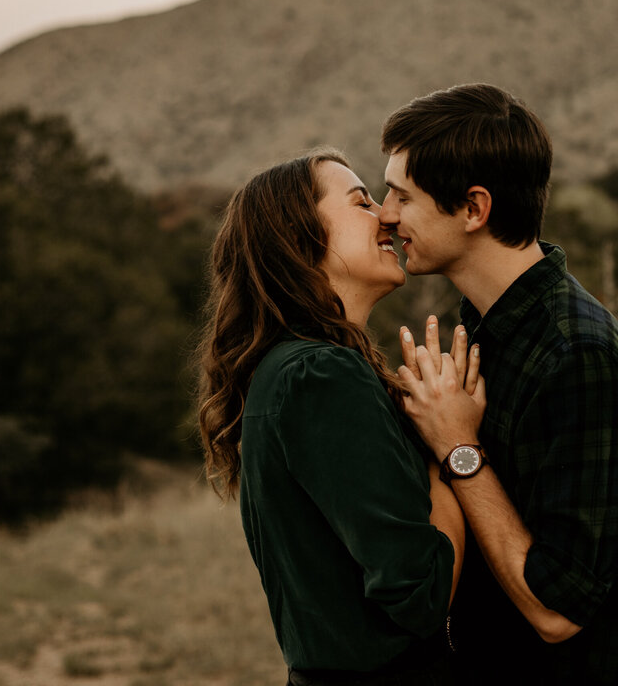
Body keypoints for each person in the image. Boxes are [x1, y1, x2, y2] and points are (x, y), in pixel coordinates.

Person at [377, 84, 618, 685]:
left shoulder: (578, 356)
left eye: (402, 195)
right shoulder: (489, 328)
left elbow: (560, 610)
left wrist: (459, 448)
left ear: (474, 209)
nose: (385, 214)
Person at [195, 149, 477, 686]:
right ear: (301, 240)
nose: (386, 215)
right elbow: (421, 594)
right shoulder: (320, 375)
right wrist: (451, 446)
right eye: (361, 201)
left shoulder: (291, 369)